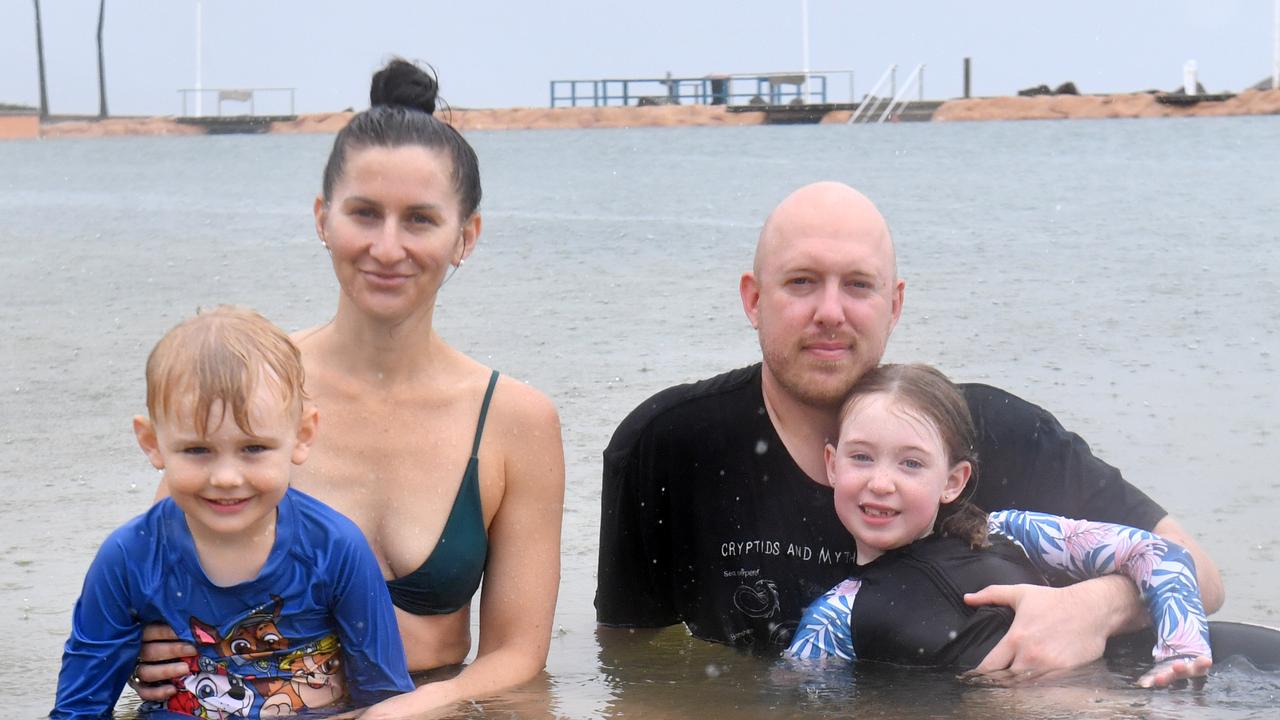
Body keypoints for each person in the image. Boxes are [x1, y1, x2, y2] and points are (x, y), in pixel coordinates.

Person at [597, 181, 1223, 678]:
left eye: (859, 286)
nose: (830, 313)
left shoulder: (995, 429)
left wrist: (1092, 608)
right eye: (802, 282)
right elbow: (629, 666)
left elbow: (1203, 576)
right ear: (753, 298)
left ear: (894, 304)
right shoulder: (668, 447)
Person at [132, 59, 566, 718]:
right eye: (364, 214)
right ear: (322, 218)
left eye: (420, 219)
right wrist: (138, 649)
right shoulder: (247, 385)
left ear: (466, 236)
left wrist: (419, 708)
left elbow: (516, 654)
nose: (387, 248)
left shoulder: (514, 421)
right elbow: (147, 583)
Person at [52, 306, 414, 719]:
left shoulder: (335, 549)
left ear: (302, 435)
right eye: (197, 450)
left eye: (253, 448)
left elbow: (386, 702)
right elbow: (78, 709)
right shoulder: (128, 559)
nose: (226, 477)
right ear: (152, 443)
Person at [783, 363, 1212, 688]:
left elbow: (1159, 551)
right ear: (832, 466)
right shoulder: (835, 618)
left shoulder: (1009, 532)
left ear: (953, 481)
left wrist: (1180, 651)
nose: (880, 483)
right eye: (861, 457)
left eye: (911, 464)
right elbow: (803, 697)